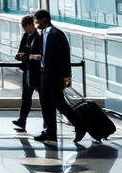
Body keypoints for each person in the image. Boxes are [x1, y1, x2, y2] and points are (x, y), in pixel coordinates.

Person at [32, 9, 86, 143]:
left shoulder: (56, 34)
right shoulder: (43, 33)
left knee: (59, 103)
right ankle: (50, 131)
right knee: (45, 102)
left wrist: (67, 76)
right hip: (45, 73)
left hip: (55, 74)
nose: (36, 24)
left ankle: (80, 124)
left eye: (37, 21)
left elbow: (64, 55)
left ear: (44, 20)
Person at [13, 15, 42, 132]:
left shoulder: (38, 37)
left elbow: (36, 55)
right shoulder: (27, 36)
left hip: (36, 71)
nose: (25, 30)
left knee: (39, 96)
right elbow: (20, 52)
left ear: (30, 25)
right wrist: (21, 56)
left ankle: (23, 119)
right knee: (26, 97)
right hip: (28, 70)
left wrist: (25, 56)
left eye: (25, 27)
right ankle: (22, 119)